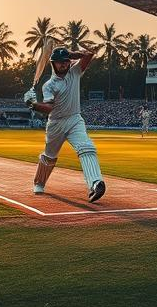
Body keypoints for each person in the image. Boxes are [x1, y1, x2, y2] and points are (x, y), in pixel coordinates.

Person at [23, 46, 106, 203]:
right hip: (56, 124)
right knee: (49, 157)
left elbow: (89, 55)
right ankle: (39, 182)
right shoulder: (49, 85)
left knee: (87, 147)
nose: (63, 65)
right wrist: (33, 104)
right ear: (53, 64)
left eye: (65, 62)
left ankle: (95, 184)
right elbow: (48, 108)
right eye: (59, 62)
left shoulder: (75, 72)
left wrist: (71, 54)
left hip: (75, 119)